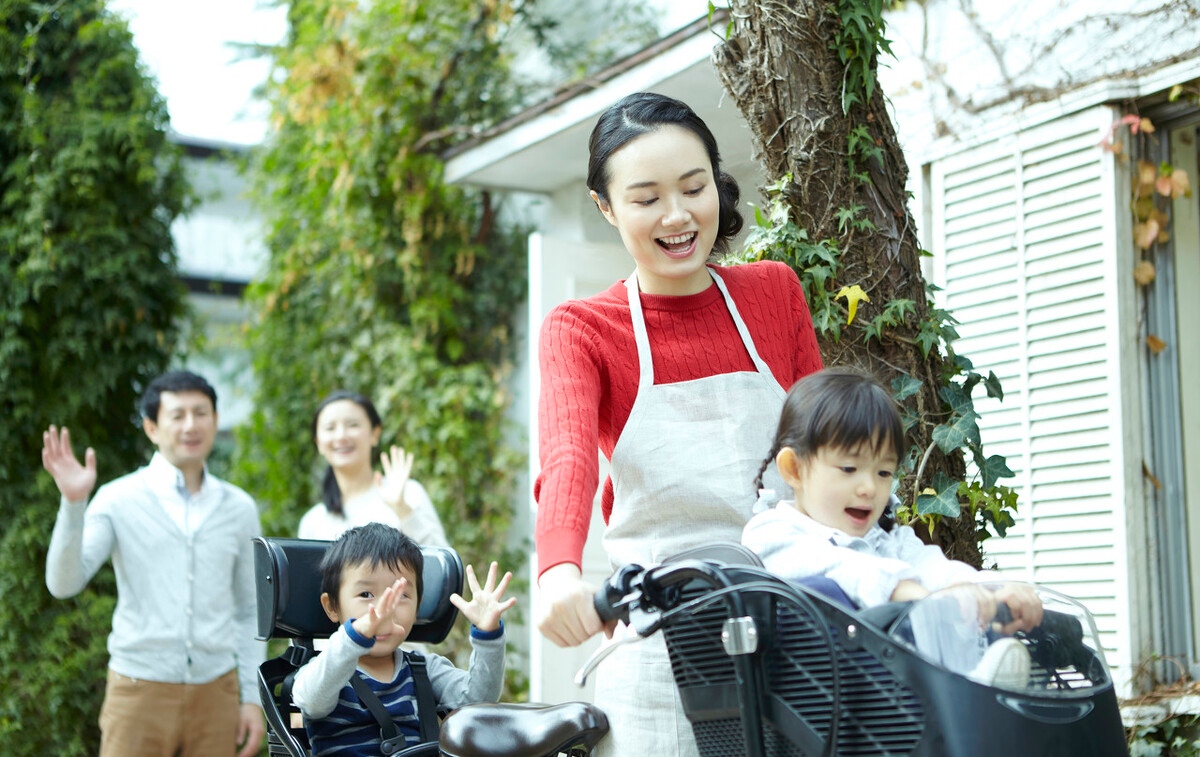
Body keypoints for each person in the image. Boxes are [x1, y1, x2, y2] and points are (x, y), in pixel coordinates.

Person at [534, 92, 824, 756]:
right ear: (606, 207)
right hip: (659, 647)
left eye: (694, 188)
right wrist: (558, 574)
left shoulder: (774, 292)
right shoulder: (582, 329)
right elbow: (568, 458)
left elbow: (826, 447)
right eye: (646, 198)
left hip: (794, 628)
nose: (677, 215)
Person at [741, 367, 1044, 687]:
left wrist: (988, 589)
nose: (869, 488)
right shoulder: (771, 534)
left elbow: (932, 566)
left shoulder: (886, 540)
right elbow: (836, 566)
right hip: (832, 697)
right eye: (849, 468)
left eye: (884, 473)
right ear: (794, 469)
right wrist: (902, 590)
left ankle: (984, 680)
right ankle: (974, 683)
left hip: (907, 695)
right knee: (827, 590)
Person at [42, 370, 266, 757]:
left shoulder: (239, 508)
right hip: (138, 690)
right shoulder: (117, 498)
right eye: (177, 415)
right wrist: (73, 503)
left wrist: (251, 697)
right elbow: (64, 583)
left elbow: (250, 610)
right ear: (151, 427)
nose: (191, 425)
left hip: (216, 692)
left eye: (201, 413)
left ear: (215, 420)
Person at [292, 522, 513, 756]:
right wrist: (354, 636)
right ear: (332, 606)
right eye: (366, 594)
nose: (384, 608)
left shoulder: (424, 670)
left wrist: (487, 634)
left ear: (418, 606)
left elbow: (479, 702)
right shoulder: (326, 671)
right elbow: (310, 700)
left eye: (401, 595)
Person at [298, 390, 449, 548]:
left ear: (375, 434)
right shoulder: (312, 523)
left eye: (353, 425)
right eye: (330, 428)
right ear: (318, 442)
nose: (341, 436)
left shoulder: (409, 493)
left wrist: (403, 510)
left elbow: (442, 559)